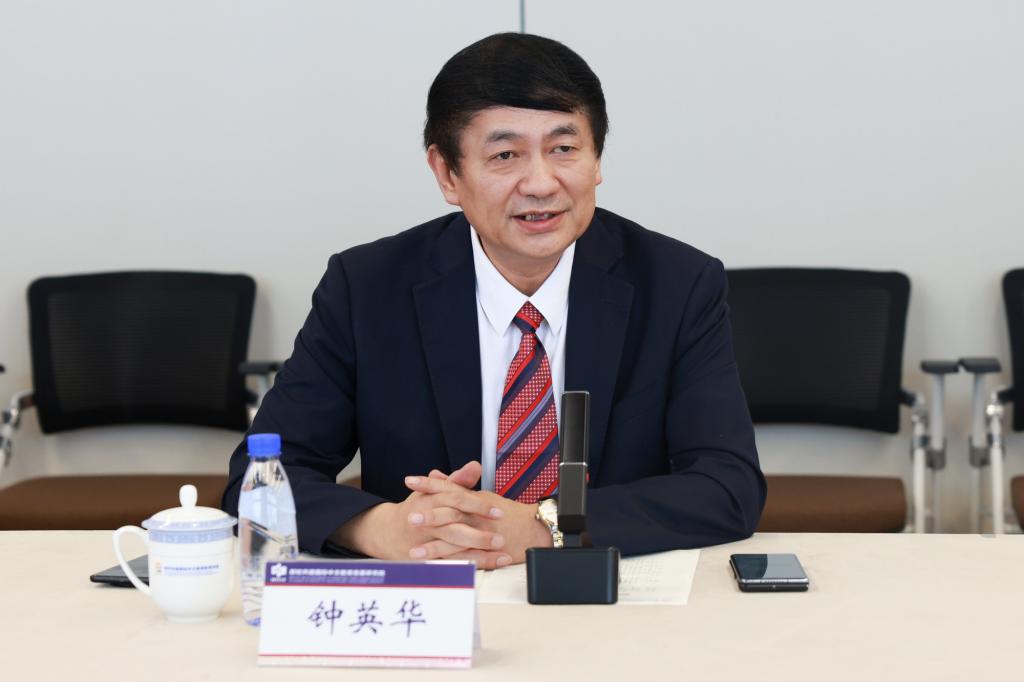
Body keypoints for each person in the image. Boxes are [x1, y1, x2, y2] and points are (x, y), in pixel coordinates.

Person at [222, 32, 765, 569]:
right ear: (447, 173)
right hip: (433, 590)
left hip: (607, 597)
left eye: (564, 149)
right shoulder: (367, 287)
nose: (541, 183)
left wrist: (544, 525)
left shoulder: (677, 284)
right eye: (505, 155)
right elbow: (258, 477)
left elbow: (728, 487)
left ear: (597, 160)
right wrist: (378, 527)